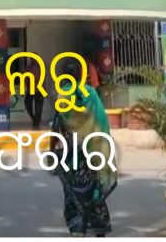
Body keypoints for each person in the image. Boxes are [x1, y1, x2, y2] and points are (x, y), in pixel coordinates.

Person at [49, 62, 117, 237]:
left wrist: (52, 150)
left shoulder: (64, 94)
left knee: (73, 192)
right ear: (80, 75)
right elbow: (100, 119)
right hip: (93, 149)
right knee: (94, 190)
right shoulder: (91, 93)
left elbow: (58, 124)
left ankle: (78, 228)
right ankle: (99, 227)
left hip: (72, 153)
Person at [23, 58, 44, 129]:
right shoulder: (29, 68)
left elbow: (43, 79)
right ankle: (35, 118)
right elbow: (25, 79)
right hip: (31, 89)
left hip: (39, 90)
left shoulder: (40, 67)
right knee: (28, 104)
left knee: (38, 107)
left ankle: (36, 120)